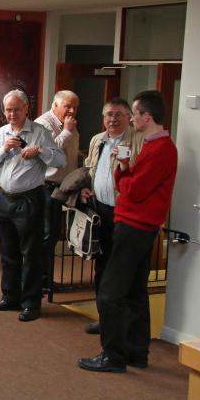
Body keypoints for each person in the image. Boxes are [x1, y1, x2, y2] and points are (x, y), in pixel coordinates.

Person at [79, 90, 177, 373]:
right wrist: (125, 169)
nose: (132, 118)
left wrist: (124, 175)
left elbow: (133, 191)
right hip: (139, 226)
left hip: (134, 226)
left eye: (133, 113)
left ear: (147, 117)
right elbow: (132, 182)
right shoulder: (151, 146)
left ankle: (113, 356)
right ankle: (137, 352)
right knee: (135, 292)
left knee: (110, 292)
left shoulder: (160, 149)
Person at [0, 90, 64, 322]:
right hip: (5, 199)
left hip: (30, 199)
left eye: (16, 109)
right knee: (7, 250)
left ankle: (31, 303)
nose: (11, 114)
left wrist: (40, 151)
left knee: (31, 253)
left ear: (26, 109)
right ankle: (10, 297)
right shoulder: (1, 133)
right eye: (8, 110)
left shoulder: (40, 132)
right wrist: (4, 149)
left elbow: (60, 160)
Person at [79, 98, 143, 335]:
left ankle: (122, 323)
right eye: (108, 115)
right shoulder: (98, 140)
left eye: (118, 114)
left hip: (125, 214)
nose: (112, 119)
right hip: (101, 210)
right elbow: (89, 168)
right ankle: (105, 317)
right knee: (102, 267)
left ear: (129, 118)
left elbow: (139, 175)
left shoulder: (139, 140)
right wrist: (86, 187)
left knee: (122, 271)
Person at [35, 90, 80, 286]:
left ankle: (45, 278)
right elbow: (50, 153)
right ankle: (41, 280)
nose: (71, 111)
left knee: (52, 234)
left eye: (75, 107)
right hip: (46, 186)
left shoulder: (68, 124)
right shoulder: (44, 124)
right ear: (55, 105)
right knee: (46, 234)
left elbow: (70, 151)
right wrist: (68, 131)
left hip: (63, 186)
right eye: (67, 106)